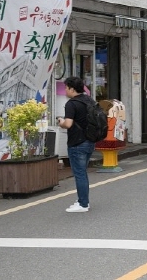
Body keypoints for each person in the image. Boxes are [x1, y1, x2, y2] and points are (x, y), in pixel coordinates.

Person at [58, 76, 97, 213]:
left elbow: (68, 124)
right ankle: (82, 200)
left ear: (72, 89)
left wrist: (61, 122)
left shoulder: (71, 104)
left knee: (79, 173)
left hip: (77, 143)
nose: (65, 91)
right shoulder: (89, 100)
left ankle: (83, 204)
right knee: (82, 172)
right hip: (90, 141)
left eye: (66, 88)